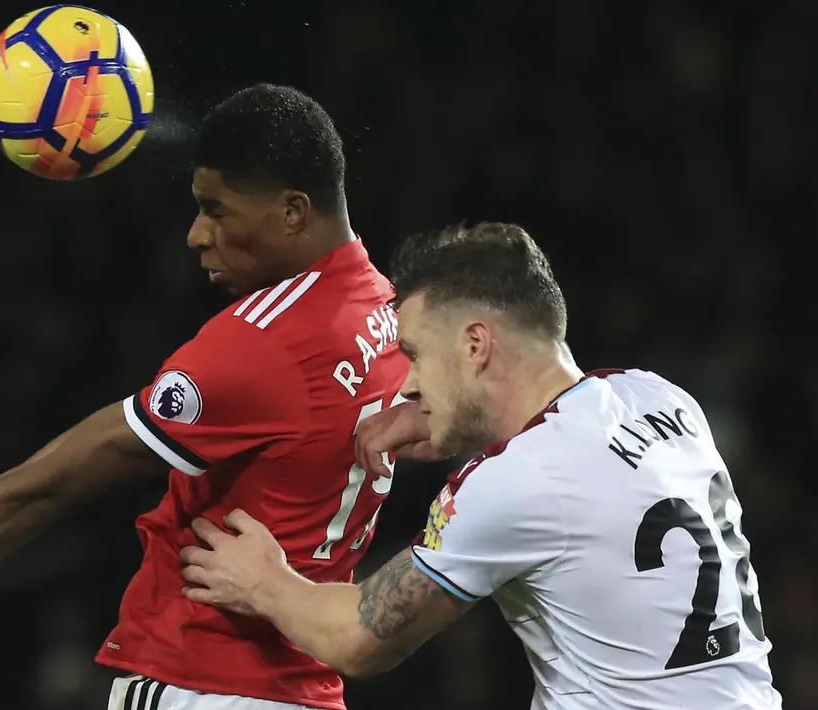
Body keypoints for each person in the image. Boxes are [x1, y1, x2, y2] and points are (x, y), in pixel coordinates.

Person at [0, 83, 415, 710]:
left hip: (204, 681)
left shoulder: (263, 344)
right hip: (295, 693)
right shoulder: (386, 311)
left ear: (292, 211)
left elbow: (54, 487)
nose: (195, 234)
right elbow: (103, 439)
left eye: (214, 210)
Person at [180, 222, 784, 709]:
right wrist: (457, 424)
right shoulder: (660, 396)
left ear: (475, 345)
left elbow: (361, 640)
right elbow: (573, 468)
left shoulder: (510, 484)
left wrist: (265, 583)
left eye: (415, 355)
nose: (410, 382)